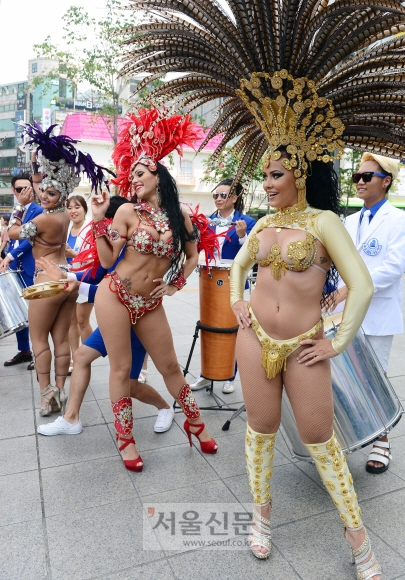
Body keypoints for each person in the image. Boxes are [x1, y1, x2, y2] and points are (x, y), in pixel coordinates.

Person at [90, 107, 217, 473]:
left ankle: (196, 424)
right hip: (115, 295)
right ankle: (125, 440)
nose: (134, 180)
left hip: (149, 303)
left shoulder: (181, 216)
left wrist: (175, 284)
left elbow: (193, 255)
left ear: (158, 175)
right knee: (122, 370)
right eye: (131, 175)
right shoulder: (127, 212)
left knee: (170, 366)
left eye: (140, 173)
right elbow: (107, 259)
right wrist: (98, 220)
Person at [36, 197, 175, 437]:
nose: (106, 229)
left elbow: (115, 293)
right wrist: (66, 276)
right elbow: (95, 274)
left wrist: (76, 285)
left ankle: (165, 408)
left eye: (108, 222)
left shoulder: (135, 250)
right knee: (81, 357)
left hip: (138, 322)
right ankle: (71, 418)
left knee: (129, 384)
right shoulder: (110, 245)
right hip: (114, 321)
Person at [7, 122, 112, 417]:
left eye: (50, 194)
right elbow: (45, 192)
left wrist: (19, 207)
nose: (43, 196)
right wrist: (37, 176)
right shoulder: (65, 215)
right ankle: (62, 389)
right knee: (62, 339)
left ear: (61, 195)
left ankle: (46, 396)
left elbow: (13, 233)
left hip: (46, 281)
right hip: (67, 282)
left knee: (39, 339)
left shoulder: (42, 219)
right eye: (43, 192)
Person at [333, 153, 405, 475]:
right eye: (356, 177)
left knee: (376, 378)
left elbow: (394, 267)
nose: (359, 182)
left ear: (386, 181)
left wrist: (352, 288)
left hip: (377, 311)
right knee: (345, 375)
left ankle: (382, 442)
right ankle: (348, 435)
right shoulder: (348, 221)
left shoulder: (398, 220)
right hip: (343, 313)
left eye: (367, 177)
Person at [191, 178, 256, 394]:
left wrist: (242, 236)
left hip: (235, 281)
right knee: (209, 326)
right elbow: (197, 248)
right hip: (210, 282)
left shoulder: (247, 222)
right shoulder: (207, 221)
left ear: (234, 198)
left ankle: (230, 376)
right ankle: (206, 374)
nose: (218, 199)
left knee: (234, 328)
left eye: (223, 195)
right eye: (215, 195)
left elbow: (253, 254)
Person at [0, 173, 43, 370]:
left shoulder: (38, 211)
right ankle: (25, 351)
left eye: (27, 188)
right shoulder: (14, 211)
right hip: (14, 268)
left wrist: (9, 256)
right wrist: (6, 258)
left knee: (35, 312)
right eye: (19, 189)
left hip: (30, 267)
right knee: (18, 310)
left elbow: (30, 240)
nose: (24, 192)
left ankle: (39, 353)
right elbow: (11, 237)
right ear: (13, 190)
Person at [66, 195, 93, 373]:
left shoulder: (91, 228)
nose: (73, 211)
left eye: (77, 207)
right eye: (69, 207)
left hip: (86, 277)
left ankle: (87, 357)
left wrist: (73, 254)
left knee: (83, 320)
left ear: (84, 209)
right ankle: (74, 357)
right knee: (71, 321)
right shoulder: (67, 228)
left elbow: (96, 258)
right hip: (68, 277)